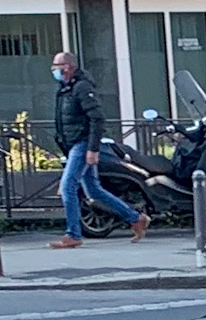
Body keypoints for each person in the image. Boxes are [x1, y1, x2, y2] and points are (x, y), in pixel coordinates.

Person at [50, 50, 148, 249]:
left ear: (68, 67)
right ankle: (136, 218)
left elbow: (97, 118)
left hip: (82, 143)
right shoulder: (65, 89)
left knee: (68, 186)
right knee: (93, 189)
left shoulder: (81, 87)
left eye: (57, 66)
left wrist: (92, 149)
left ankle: (73, 234)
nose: (54, 70)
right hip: (73, 144)